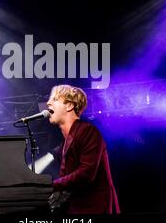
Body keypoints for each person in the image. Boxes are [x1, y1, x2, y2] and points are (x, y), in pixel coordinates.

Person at [46, 84, 120, 214]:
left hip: (95, 206)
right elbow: (67, 178)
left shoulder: (87, 131)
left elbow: (86, 173)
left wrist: (52, 185)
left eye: (54, 99)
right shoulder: (65, 143)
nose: (48, 102)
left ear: (69, 106)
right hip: (78, 207)